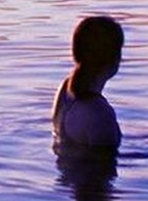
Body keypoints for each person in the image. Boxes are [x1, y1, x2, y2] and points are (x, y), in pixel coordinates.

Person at [51, 15, 124, 153]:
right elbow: (105, 166)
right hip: (89, 174)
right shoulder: (98, 112)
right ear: (113, 57)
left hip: (66, 173)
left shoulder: (65, 90)